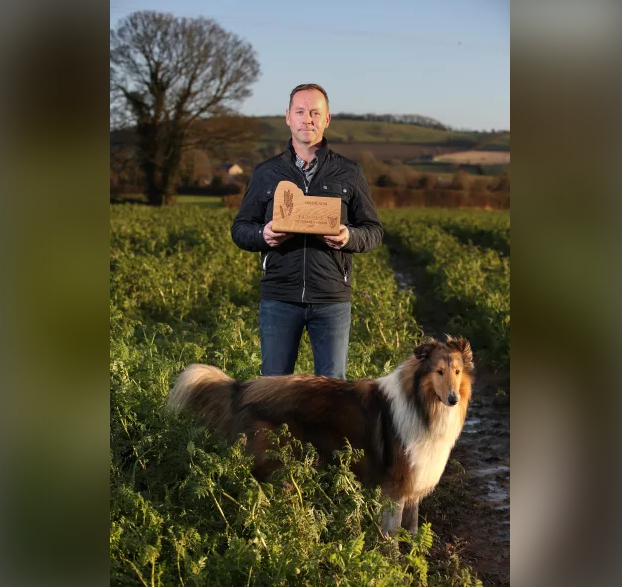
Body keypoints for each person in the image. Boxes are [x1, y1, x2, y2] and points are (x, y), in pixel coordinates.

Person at [231, 83, 383, 378]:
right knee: (273, 391)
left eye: (315, 112)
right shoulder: (267, 172)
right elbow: (240, 229)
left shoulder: (349, 172)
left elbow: (374, 230)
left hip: (331, 299)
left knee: (331, 394)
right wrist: (263, 235)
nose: (307, 119)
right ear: (288, 117)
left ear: (327, 119)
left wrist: (348, 237)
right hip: (279, 296)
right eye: (300, 111)